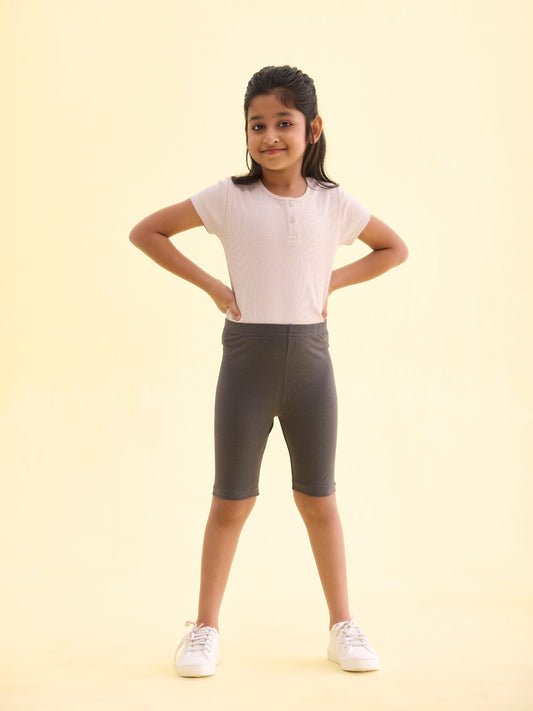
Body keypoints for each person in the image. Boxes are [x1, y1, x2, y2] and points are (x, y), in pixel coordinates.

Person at [129, 65, 408, 678]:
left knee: (320, 499)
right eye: (257, 125)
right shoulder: (228, 198)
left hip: (312, 366)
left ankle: (342, 625)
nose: (270, 136)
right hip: (246, 366)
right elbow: (146, 232)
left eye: (284, 122)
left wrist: (331, 280)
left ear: (313, 129)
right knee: (231, 501)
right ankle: (204, 628)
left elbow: (394, 249)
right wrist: (212, 286)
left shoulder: (334, 203)